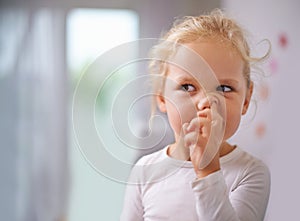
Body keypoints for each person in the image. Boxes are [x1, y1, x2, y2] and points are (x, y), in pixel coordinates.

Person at [120, 9, 270, 221]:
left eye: (225, 88)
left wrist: (209, 172)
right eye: (188, 86)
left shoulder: (250, 172)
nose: (205, 102)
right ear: (161, 97)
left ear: (246, 99)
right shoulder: (145, 171)